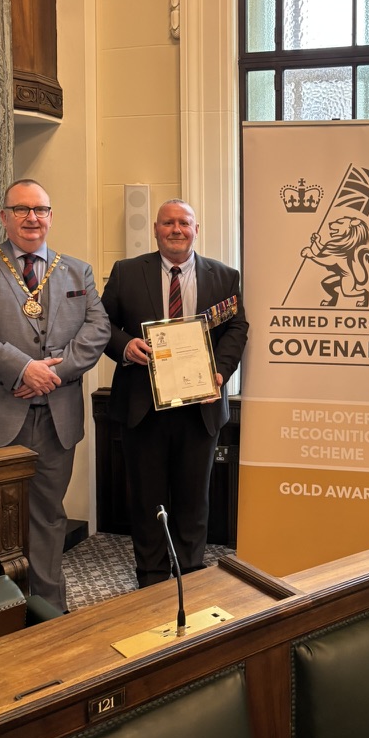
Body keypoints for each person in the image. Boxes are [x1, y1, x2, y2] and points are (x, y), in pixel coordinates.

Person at [0, 179, 110, 611]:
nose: (32, 218)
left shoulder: (78, 270)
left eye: (40, 210)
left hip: (55, 422)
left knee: (48, 519)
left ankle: (48, 614)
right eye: (21, 210)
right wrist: (22, 368)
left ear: (51, 217)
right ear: (4, 217)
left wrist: (51, 373)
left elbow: (97, 331)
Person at [102, 198, 248, 587]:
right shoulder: (127, 272)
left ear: (196, 229)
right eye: (168, 223)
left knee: (193, 499)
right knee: (147, 500)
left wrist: (219, 372)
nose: (176, 229)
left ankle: (191, 576)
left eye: (184, 223)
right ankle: (150, 581)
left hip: (200, 406)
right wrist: (124, 347)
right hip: (142, 406)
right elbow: (102, 324)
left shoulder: (224, 276)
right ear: (156, 229)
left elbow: (237, 329)